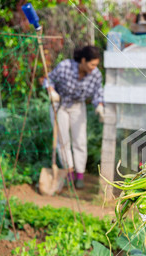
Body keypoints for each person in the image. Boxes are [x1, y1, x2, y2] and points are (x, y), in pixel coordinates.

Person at [44, 45, 104, 189]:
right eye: (92, 64)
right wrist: (51, 91)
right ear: (83, 60)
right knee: (63, 140)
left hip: (78, 106)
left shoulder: (95, 75)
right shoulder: (65, 67)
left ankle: (80, 175)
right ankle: (69, 172)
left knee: (80, 141)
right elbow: (49, 79)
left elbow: (98, 93)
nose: (94, 67)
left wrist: (100, 106)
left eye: (96, 65)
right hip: (61, 105)